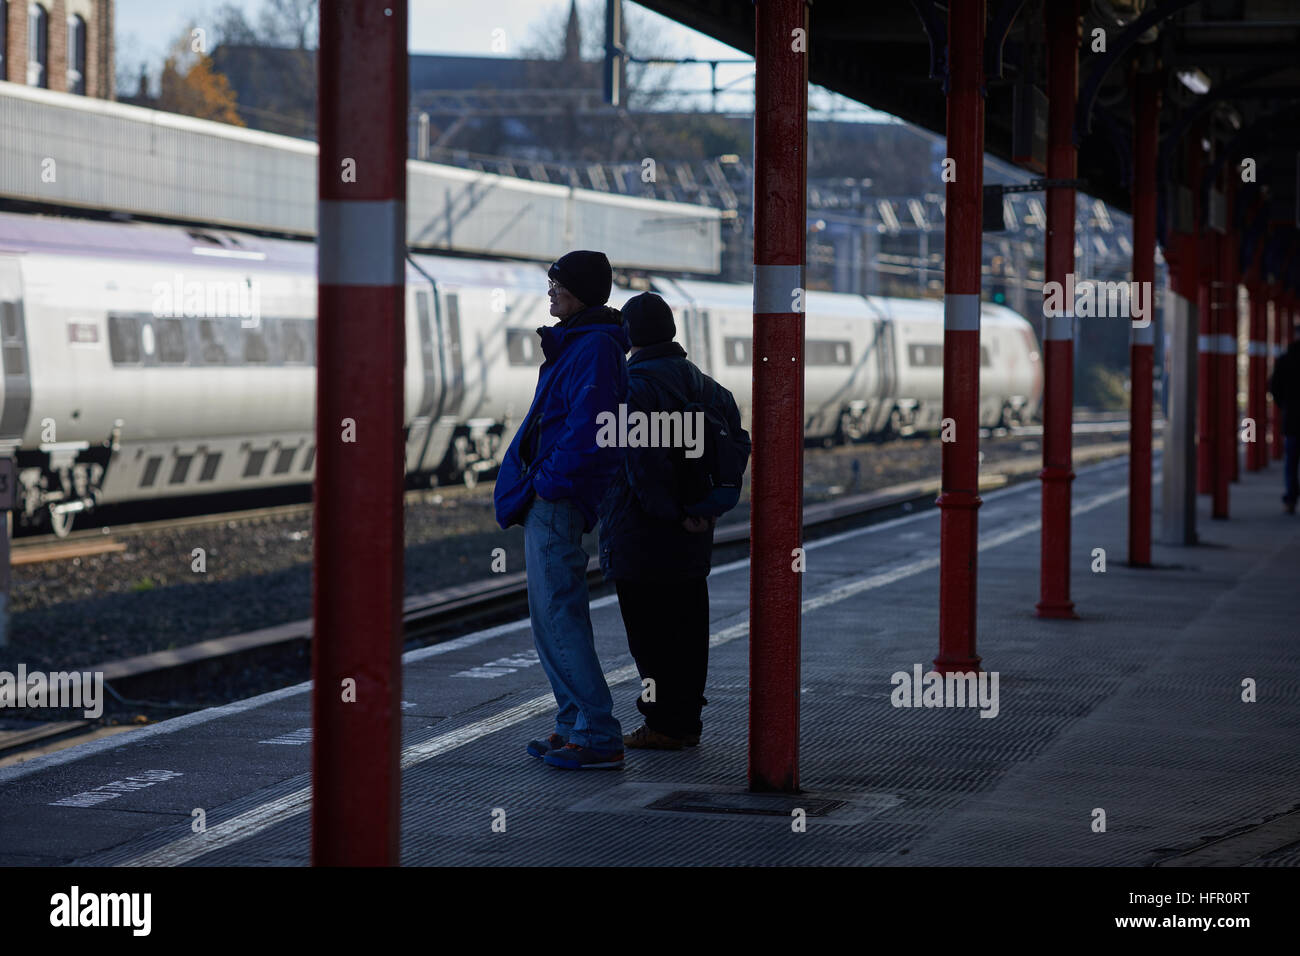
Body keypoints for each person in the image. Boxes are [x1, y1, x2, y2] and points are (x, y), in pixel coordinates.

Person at [494, 250, 629, 770]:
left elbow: (590, 427)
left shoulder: (592, 347)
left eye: (556, 285)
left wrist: (547, 482)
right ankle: (573, 721)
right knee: (547, 617)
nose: (549, 293)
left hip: (557, 496)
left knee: (559, 614)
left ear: (577, 292)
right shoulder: (577, 343)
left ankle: (596, 732)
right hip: (548, 494)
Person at [597, 292, 746, 750]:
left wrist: (673, 513)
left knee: (649, 637)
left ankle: (662, 723)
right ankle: (685, 722)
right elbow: (736, 448)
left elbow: (641, 464)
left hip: (643, 534)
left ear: (629, 336)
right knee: (688, 630)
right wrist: (706, 509)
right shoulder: (708, 387)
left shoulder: (631, 387)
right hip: (694, 535)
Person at [1270, 328, 1300, 514]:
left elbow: (1274, 387)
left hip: (1293, 420)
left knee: (1291, 462)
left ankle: (1290, 498)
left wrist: (1284, 405)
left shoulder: (1285, 359)